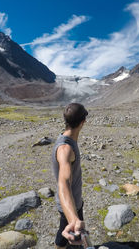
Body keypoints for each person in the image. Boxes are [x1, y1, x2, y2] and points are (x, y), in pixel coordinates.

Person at [52, 103, 88, 249]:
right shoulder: (65, 149)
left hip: (74, 202)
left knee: (64, 232)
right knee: (64, 235)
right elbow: (64, 182)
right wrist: (73, 218)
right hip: (69, 204)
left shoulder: (67, 139)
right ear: (82, 122)